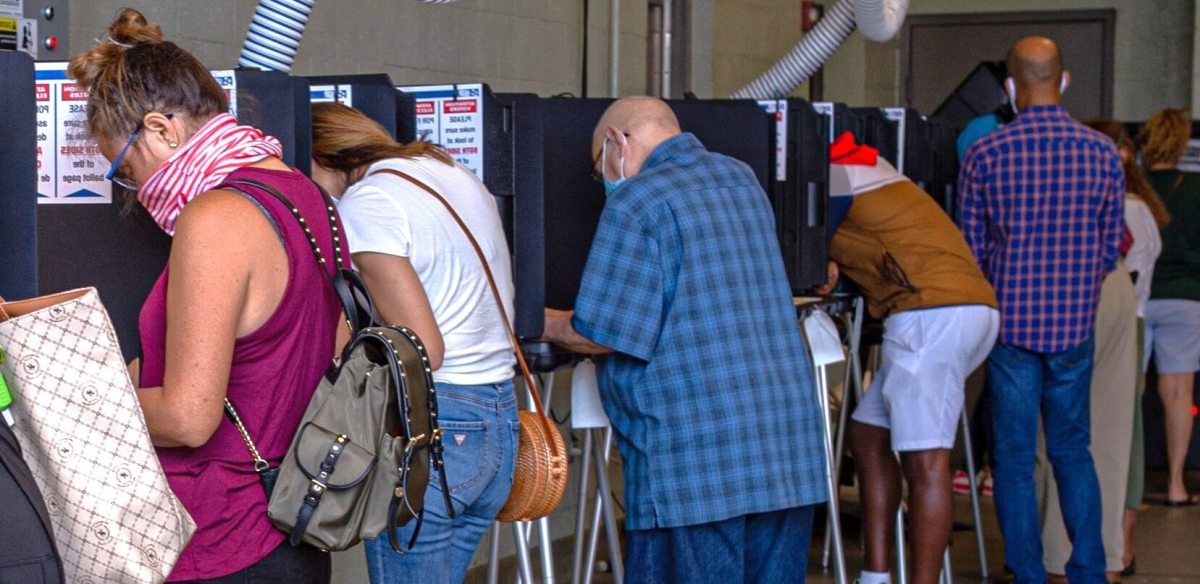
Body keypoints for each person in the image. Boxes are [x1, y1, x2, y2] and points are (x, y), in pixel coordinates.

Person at [69, 9, 343, 583]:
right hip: (297, 524)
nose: (137, 191)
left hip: (224, 536)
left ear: (162, 129)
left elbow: (191, 418)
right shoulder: (303, 195)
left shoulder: (214, 218)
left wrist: (74, 397)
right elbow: (324, 346)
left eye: (126, 168)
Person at [541, 97, 827, 583]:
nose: (605, 181)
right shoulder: (742, 179)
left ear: (617, 144)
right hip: (786, 449)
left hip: (697, 464)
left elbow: (603, 334)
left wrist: (535, 319)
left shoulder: (638, 199)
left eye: (599, 170)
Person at [308, 103, 519, 584]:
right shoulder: (448, 172)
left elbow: (423, 347)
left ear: (322, 158)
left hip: (437, 427)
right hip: (498, 421)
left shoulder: (369, 203)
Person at [959, 36, 1124, 584]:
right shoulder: (1102, 153)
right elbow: (1109, 248)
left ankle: (1027, 573)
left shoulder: (985, 154)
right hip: (1074, 325)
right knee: (1073, 451)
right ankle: (1089, 570)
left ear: (1009, 87)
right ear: (1065, 79)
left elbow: (972, 250)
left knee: (1012, 461)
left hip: (1012, 329)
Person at [815, 132, 998, 584]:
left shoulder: (834, 177)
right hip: (961, 310)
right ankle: (875, 576)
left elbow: (808, 253)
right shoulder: (865, 171)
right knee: (868, 433)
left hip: (929, 314)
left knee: (925, 460)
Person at [1088, 121, 1170, 578]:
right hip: (1128, 316)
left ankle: (1121, 542)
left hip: (1121, 317)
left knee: (1123, 431)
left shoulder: (1128, 208)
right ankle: (1117, 546)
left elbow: (1131, 268)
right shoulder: (1134, 205)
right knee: (1121, 430)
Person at [1137, 108, 1200, 507]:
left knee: (1129, 390)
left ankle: (1128, 482)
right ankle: (1177, 483)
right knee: (1177, 393)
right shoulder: (1196, 188)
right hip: (1186, 297)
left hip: (1138, 298)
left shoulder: (1134, 186)